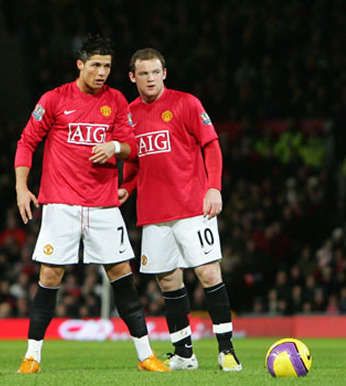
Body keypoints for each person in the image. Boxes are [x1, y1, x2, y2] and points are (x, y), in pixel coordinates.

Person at [14, 36, 169, 374]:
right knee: (50, 275)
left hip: (102, 204)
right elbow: (27, 141)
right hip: (61, 203)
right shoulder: (54, 99)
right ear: (80, 65)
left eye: (108, 66)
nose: (102, 73)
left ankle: (145, 356)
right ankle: (32, 357)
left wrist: (114, 147)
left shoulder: (115, 101)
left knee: (121, 276)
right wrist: (21, 187)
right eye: (96, 65)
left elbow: (133, 148)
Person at [119, 48, 242, 372]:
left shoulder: (186, 103)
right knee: (168, 281)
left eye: (155, 72)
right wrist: (126, 189)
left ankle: (226, 351)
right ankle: (184, 354)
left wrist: (213, 186)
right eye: (143, 73)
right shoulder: (128, 115)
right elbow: (132, 162)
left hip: (191, 207)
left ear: (165, 73)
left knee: (209, 273)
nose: (150, 79)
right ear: (133, 77)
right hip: (153, 213)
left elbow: (211, 145)